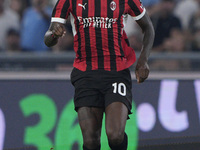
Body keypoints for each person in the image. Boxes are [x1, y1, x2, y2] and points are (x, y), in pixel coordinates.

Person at [44, 0, 154, 149]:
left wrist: (143, 60)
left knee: (115, 136)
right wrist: (53, 34)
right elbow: (49, 39)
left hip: (116, 72)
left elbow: (148, 27)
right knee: (91, 141)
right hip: (85, 74)